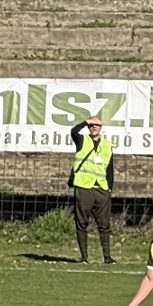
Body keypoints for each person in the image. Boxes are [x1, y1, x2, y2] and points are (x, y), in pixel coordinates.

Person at [68, 111, 114, 263]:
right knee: (82, 223)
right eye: (91, 125)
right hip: (84, 188)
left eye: (97, 125)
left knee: (104, 225)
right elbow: (73, 131)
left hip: (101, 189)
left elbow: (109, 168)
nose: (94, 127)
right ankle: (84, 256)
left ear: (101, 128)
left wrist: (109, 188)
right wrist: (86, 121)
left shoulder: (107, 145)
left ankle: (107, 257)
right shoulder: (82, 140)